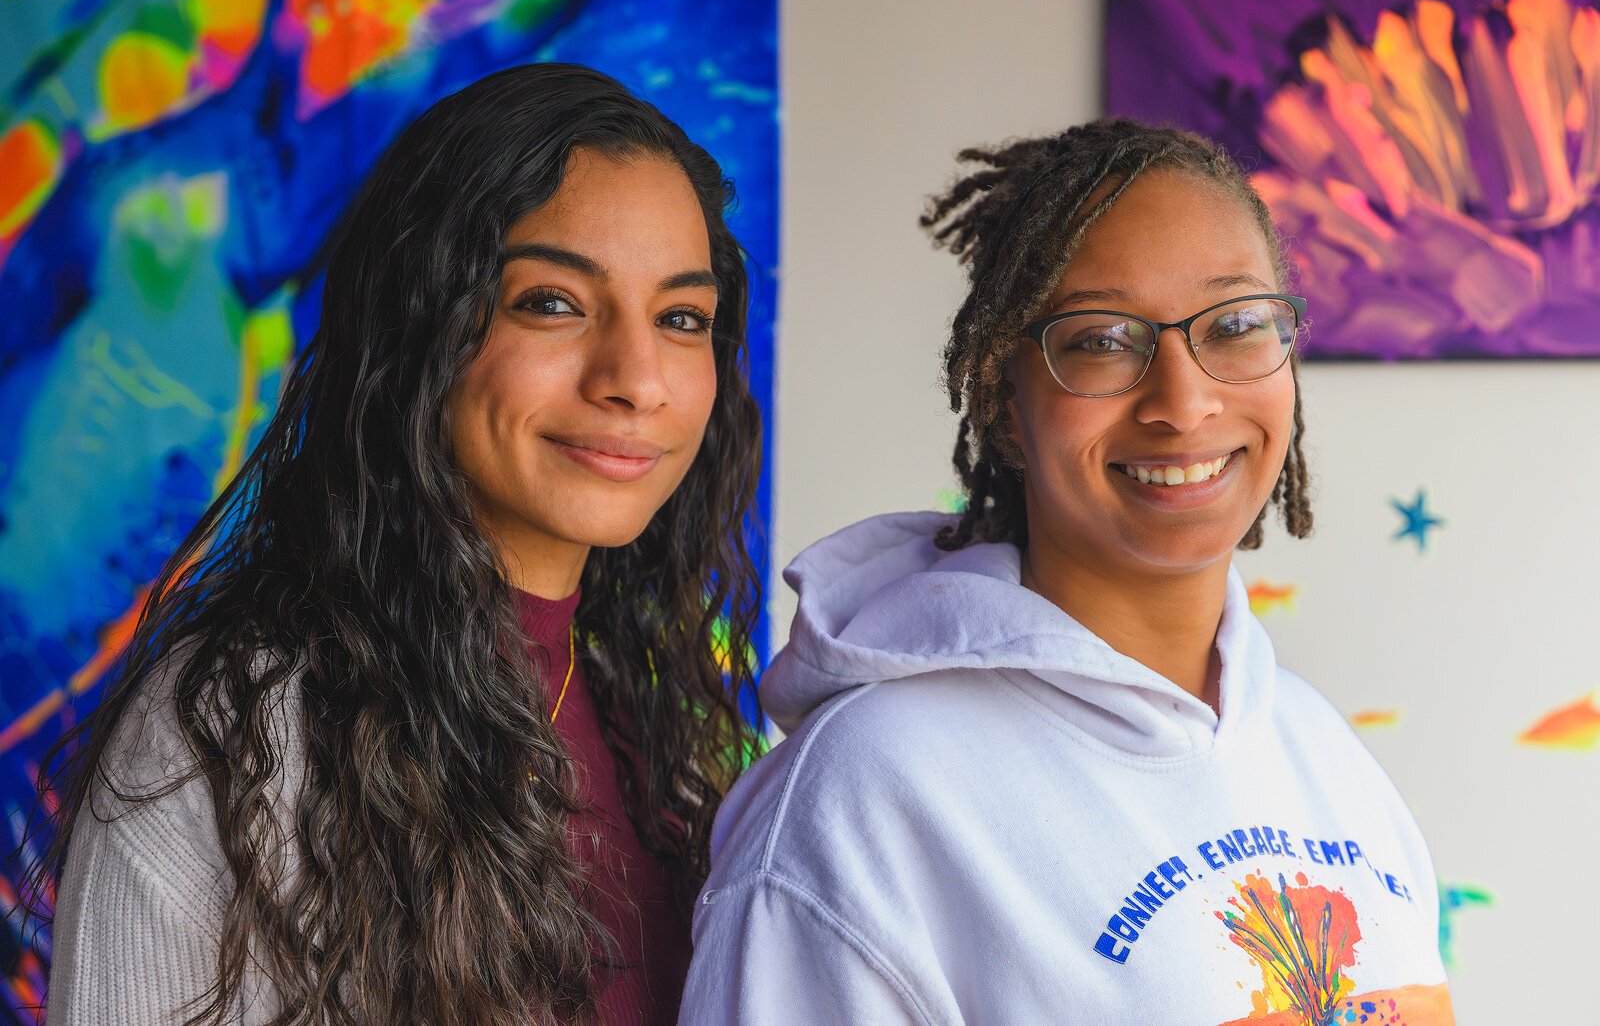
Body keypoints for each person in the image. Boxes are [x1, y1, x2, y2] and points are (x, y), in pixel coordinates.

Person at [681, 120, 1455, 1024]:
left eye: (1237, 325)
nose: (1183, 401)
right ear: (1006, 402)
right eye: (1101, 340)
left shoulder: (1320, 751)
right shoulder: (865, 797)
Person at [41, 63, 763, 1026]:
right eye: (551, 302)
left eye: (681, 318)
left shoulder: (675, 741)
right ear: (419, 324)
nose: (637, 379)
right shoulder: (237, 734)